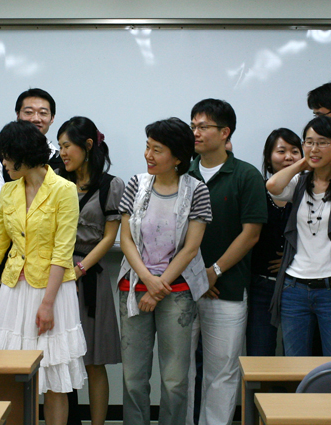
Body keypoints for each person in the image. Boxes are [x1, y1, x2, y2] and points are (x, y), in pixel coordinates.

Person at [0, 121, 86, 425]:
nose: (4, 163)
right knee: (13, 374)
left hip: (53, 291)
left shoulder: (64, 190)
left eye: (7, 156)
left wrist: (47, 304)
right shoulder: (10, 191)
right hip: (15, 290)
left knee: (54, 378)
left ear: (23, 155)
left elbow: (62, 251)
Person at [117, 118, 211, 425]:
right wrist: (148, 280)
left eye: (157, 150)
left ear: (178, 156)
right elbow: (126, 239)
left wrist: (159, 287)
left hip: (177, 291)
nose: (149, 155)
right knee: (133, 377)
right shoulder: (136, 184)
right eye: (148, 147)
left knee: (174, 380)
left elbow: (191, 248)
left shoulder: (197, 190)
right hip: (135, 286)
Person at [186, 99, 267, 425]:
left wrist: (214, 272)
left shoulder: (246, 175)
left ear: (225, 132)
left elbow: (251, 234)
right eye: (193, 126)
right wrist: (198, 276)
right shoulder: (183, 173)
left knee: (222, 371)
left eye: (203, 126)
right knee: (180, 371)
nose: (196, 132)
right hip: (183, 288)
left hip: (228, 289)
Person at [266, 116, 331, 356]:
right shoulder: (299, 183)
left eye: (322, 143)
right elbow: (272, 185)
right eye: (309, 142)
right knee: (295, 364)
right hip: (294, 287)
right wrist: (303, 163)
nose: (314, 148)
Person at [55, 117, 122, 425]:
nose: (62, 153)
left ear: (88, 146)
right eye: (60, 146)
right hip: (56, 275)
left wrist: (80, 268)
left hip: (90, 274)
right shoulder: (56, 179)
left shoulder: (111, 185)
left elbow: (109, 237)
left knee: (94, 362)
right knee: (59, 358)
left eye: (67, 146)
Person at [247, 128, 302, 356]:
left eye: (295, 151)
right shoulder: (257, 191)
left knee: (297, 354)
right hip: (261, 284)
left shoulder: (309, 192)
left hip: (297, 285)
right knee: (260, 352)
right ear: (269, 158)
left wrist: (290, 259)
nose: (289, 157)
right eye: (281, 151)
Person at [0, 88, 65, 192]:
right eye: (29, 112)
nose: (36, 119)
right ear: (18, 115)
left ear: (52, 118)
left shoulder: (63, 158)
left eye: (43, 113)